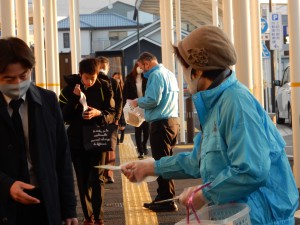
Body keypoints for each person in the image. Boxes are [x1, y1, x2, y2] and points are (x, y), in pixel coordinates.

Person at [121, 26, 299, 224]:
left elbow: (252, 169)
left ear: (197, 70)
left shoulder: (236, 103)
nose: (184, 74)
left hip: (261, 218)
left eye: (185, 67)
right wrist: (151, 167)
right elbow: (198, 161)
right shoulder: (216, 104)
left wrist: (204, 194)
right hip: (239, 215)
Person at [0, 37, 78, 225]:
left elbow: (62, 157)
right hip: (4, 205)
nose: (17, 83)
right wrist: (6, 185)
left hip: (44, 202)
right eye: (8, 78)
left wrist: (68, 208)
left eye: (23, 76)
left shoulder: (48, 101)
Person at [59, 57, 115, 225]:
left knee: (97, 179)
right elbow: (62, 116)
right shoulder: (68, 89)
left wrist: (99, 114)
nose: (90, 81)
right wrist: (75, 99)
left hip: (98, 139)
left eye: (93, 77)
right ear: (80, 74)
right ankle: (88, 216)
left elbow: (112, 112)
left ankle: (98, 217)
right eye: (86, 78)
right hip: (77, 141)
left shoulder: (104, 87)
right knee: (82, 180)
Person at [128, 52, 180, 212]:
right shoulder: (170, 74)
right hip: (172, 122)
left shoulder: (156, 76)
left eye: (141, 67)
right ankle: (165, 197)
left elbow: (152, 99)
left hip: (161, 124)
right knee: (167, 162)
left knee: (161, 163)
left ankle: (166, 199)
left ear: (147, 63)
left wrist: (137, 102)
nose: (141, 71)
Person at [97, 56, 123, 184]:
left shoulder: (114, 82)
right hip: (98, 119)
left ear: (108, 68)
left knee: (111, 148)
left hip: (112, 119)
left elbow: (119, 101)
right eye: (100, 67)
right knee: (99, 147)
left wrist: (117, 118)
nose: (102, 70)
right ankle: (101, 173)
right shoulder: (94, 80)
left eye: (104, 67)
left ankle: (109, 174)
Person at [123, 63, 149, 159]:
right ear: (135, 67)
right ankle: (140, 151)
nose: (140, 68)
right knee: (138, 129)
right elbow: (125, 93)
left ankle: (144, 144)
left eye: (141, 66)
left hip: (145, 105)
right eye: (138, 66)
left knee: (147, 130)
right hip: (134, 106)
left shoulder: (147, 77)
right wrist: (127, 104)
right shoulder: (129, 78)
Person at [112, 72, 126, 145]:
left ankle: (122, 136)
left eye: (118, 78)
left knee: (122, 125)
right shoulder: (110, 86)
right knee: (115, 124)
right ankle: (116, 139)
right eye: (115, 78)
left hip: (122, 108)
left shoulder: (123, 87)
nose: (117, 80)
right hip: (114, 108)